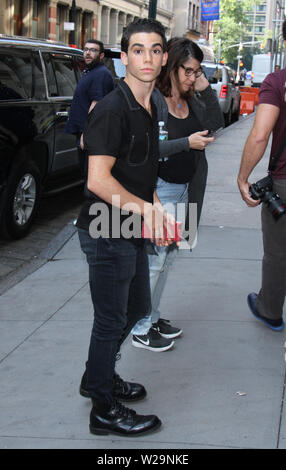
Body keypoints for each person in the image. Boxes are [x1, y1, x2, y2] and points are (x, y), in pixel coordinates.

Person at [76, 18, 175, 437]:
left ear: (164, 57)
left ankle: (97, 379)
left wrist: (154, 207)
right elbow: (97, 180)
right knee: (111, 320)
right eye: (138, 49)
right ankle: (102, 408)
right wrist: (147, 211)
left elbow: (139, 171)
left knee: (135, 310)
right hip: (105, 227)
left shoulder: (151, 106)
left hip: (129, 224)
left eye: (155, 49)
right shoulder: (114, 108)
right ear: (123, 56)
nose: (147, 57)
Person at [131, 37, 223, 352]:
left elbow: (215, 124)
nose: (191, 78)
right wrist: (187, 144)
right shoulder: (153, 100)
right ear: (172, 67)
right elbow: (146, 150)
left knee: (167, 261)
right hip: (160, 191)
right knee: (154, 263)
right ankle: (140, 328)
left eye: (196, 72)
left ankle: (152, 317)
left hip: (186, 190)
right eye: (188, 71)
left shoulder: (192, 99)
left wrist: (206, 89)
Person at [237, 19, 286, 332]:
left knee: (278, 252)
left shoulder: (278, 81)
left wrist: (243, 177)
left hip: (283, 182)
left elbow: (260, 134)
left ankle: (270, 310)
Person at [65, 39, 114, 175]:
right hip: (86, 133)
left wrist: (86, 134)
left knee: (91, 177)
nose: (88, 53)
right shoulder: (90, 72)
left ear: (101, 56)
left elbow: (96, 105)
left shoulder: (100, 74)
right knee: (86, 174)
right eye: (86, 49)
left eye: (93, 50)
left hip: (92, 136)